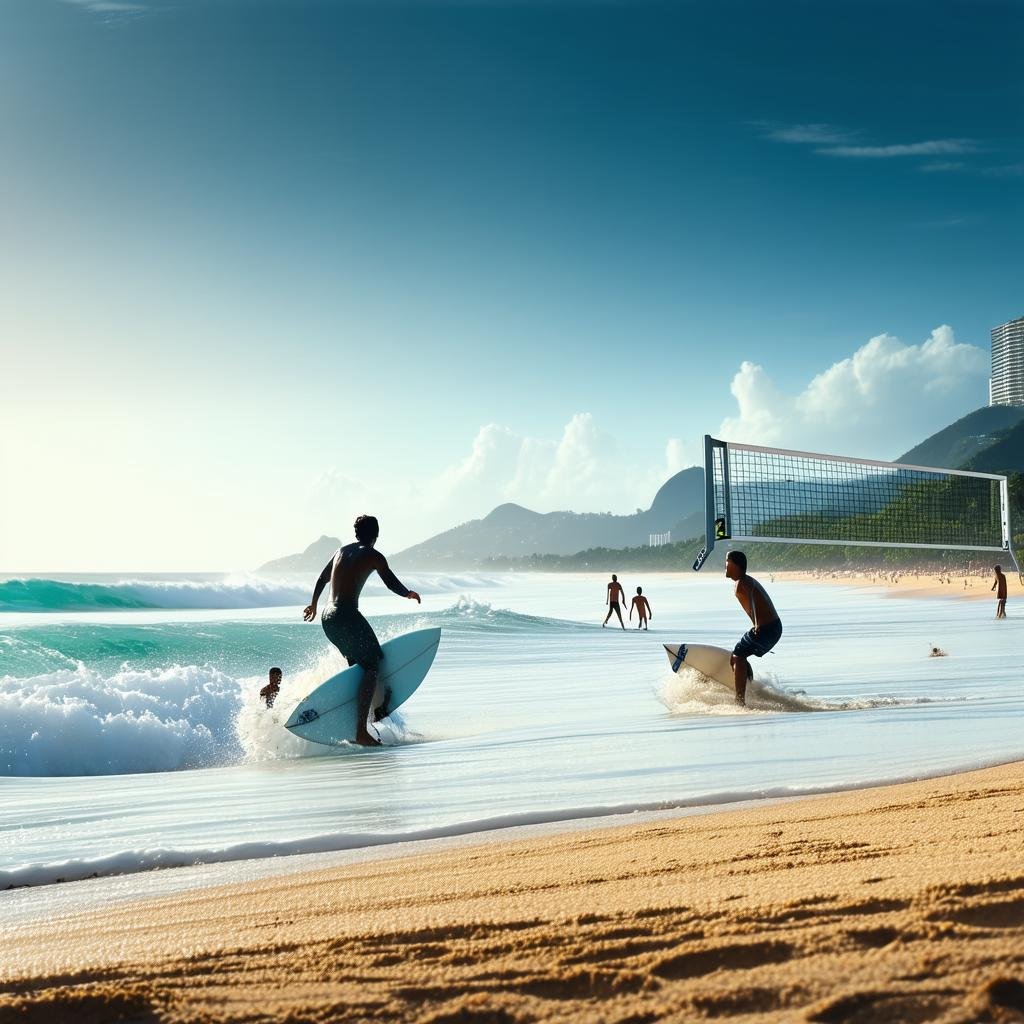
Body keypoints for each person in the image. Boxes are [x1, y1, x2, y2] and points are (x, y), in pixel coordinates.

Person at [303, 515, 421, 746]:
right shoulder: (373, 555)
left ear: (356, 534)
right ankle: (360, 731)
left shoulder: (340, 552)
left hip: (328, 617)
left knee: (357, 666)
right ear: (376, 535)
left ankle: (359, 724)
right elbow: (389, 581)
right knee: (374, 661)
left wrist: (314, 604)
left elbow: (321, 578)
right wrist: (408, 593)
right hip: (346, 614)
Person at [725, 550, 782, 706]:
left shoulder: (744, 582)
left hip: (766, 628)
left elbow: (752, 598)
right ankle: (748, 683)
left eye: (727, 562)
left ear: (735, 565)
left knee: (738, 656)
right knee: (737, 655)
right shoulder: (745, 581)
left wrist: (756, 623)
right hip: (771, 627)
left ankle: (740, 701)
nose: (725, 565)